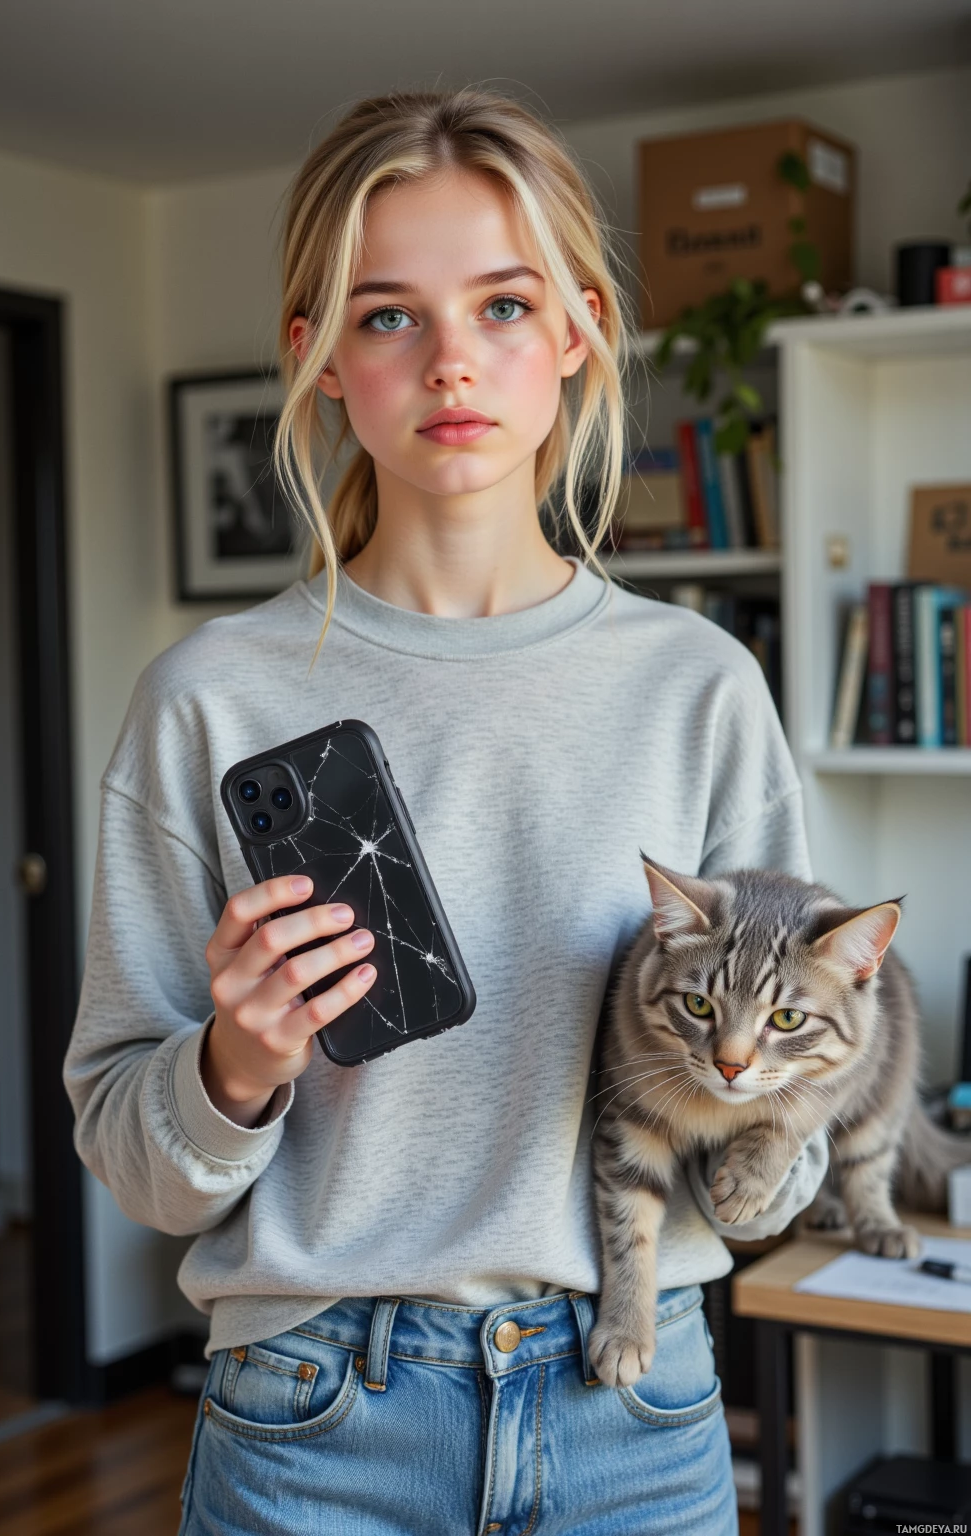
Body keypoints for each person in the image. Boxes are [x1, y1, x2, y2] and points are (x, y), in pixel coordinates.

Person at [64, 88, 826, 1535]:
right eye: (389, 316)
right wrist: (236, 1060)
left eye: (504, 305)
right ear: (317, 360)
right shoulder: (208, 699)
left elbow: (756, 1197)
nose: (453, 361)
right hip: (310, 1422)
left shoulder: (699, 688)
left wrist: (797, 1081)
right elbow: (137, 1165)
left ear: (582, 331)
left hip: (635, 1404)